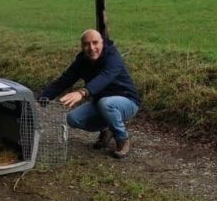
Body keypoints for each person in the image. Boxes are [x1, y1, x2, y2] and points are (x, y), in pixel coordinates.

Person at [40, 29, 141, 158]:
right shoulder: (82, 61)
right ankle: (107, 129)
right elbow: (64, 80)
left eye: (95, 43)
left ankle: (122, 138)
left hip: (127, 101)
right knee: (72, 119)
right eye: (86, 44)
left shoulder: (112, 57)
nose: (91, 48)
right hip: (101, 103)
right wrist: (42, 99)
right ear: (82, 46)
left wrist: (82, 92)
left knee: (106, 103)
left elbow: (105, 77)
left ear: (102, 43)